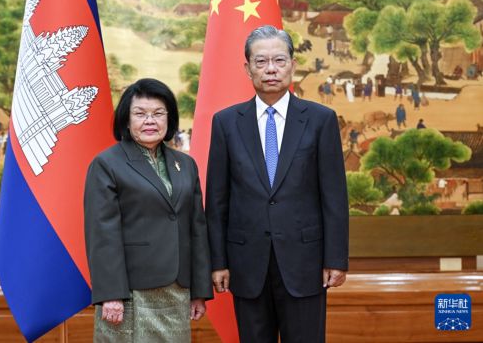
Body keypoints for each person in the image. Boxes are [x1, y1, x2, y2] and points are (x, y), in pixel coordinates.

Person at [206, 26, 349, 343]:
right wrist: (218, 262)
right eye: (261, 61)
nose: (270, 69)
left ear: (292, 65)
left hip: (306, 262)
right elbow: (217, 201)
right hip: (246, 263)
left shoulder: (320, 120)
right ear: (248, 69)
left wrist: (336, 259)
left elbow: (334, 197)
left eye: (279, 60)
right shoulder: (226, 123)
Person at [84, 78, 212, 342]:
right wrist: (111, 294)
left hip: (177, 290)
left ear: (169, 118)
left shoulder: (185, 164)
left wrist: (200, 290)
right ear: (126, 120)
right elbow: (103, 234)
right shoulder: (107, 164)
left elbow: (196, 228)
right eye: (140, 114)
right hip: (131, 291)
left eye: (158, 113)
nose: (150, 121)